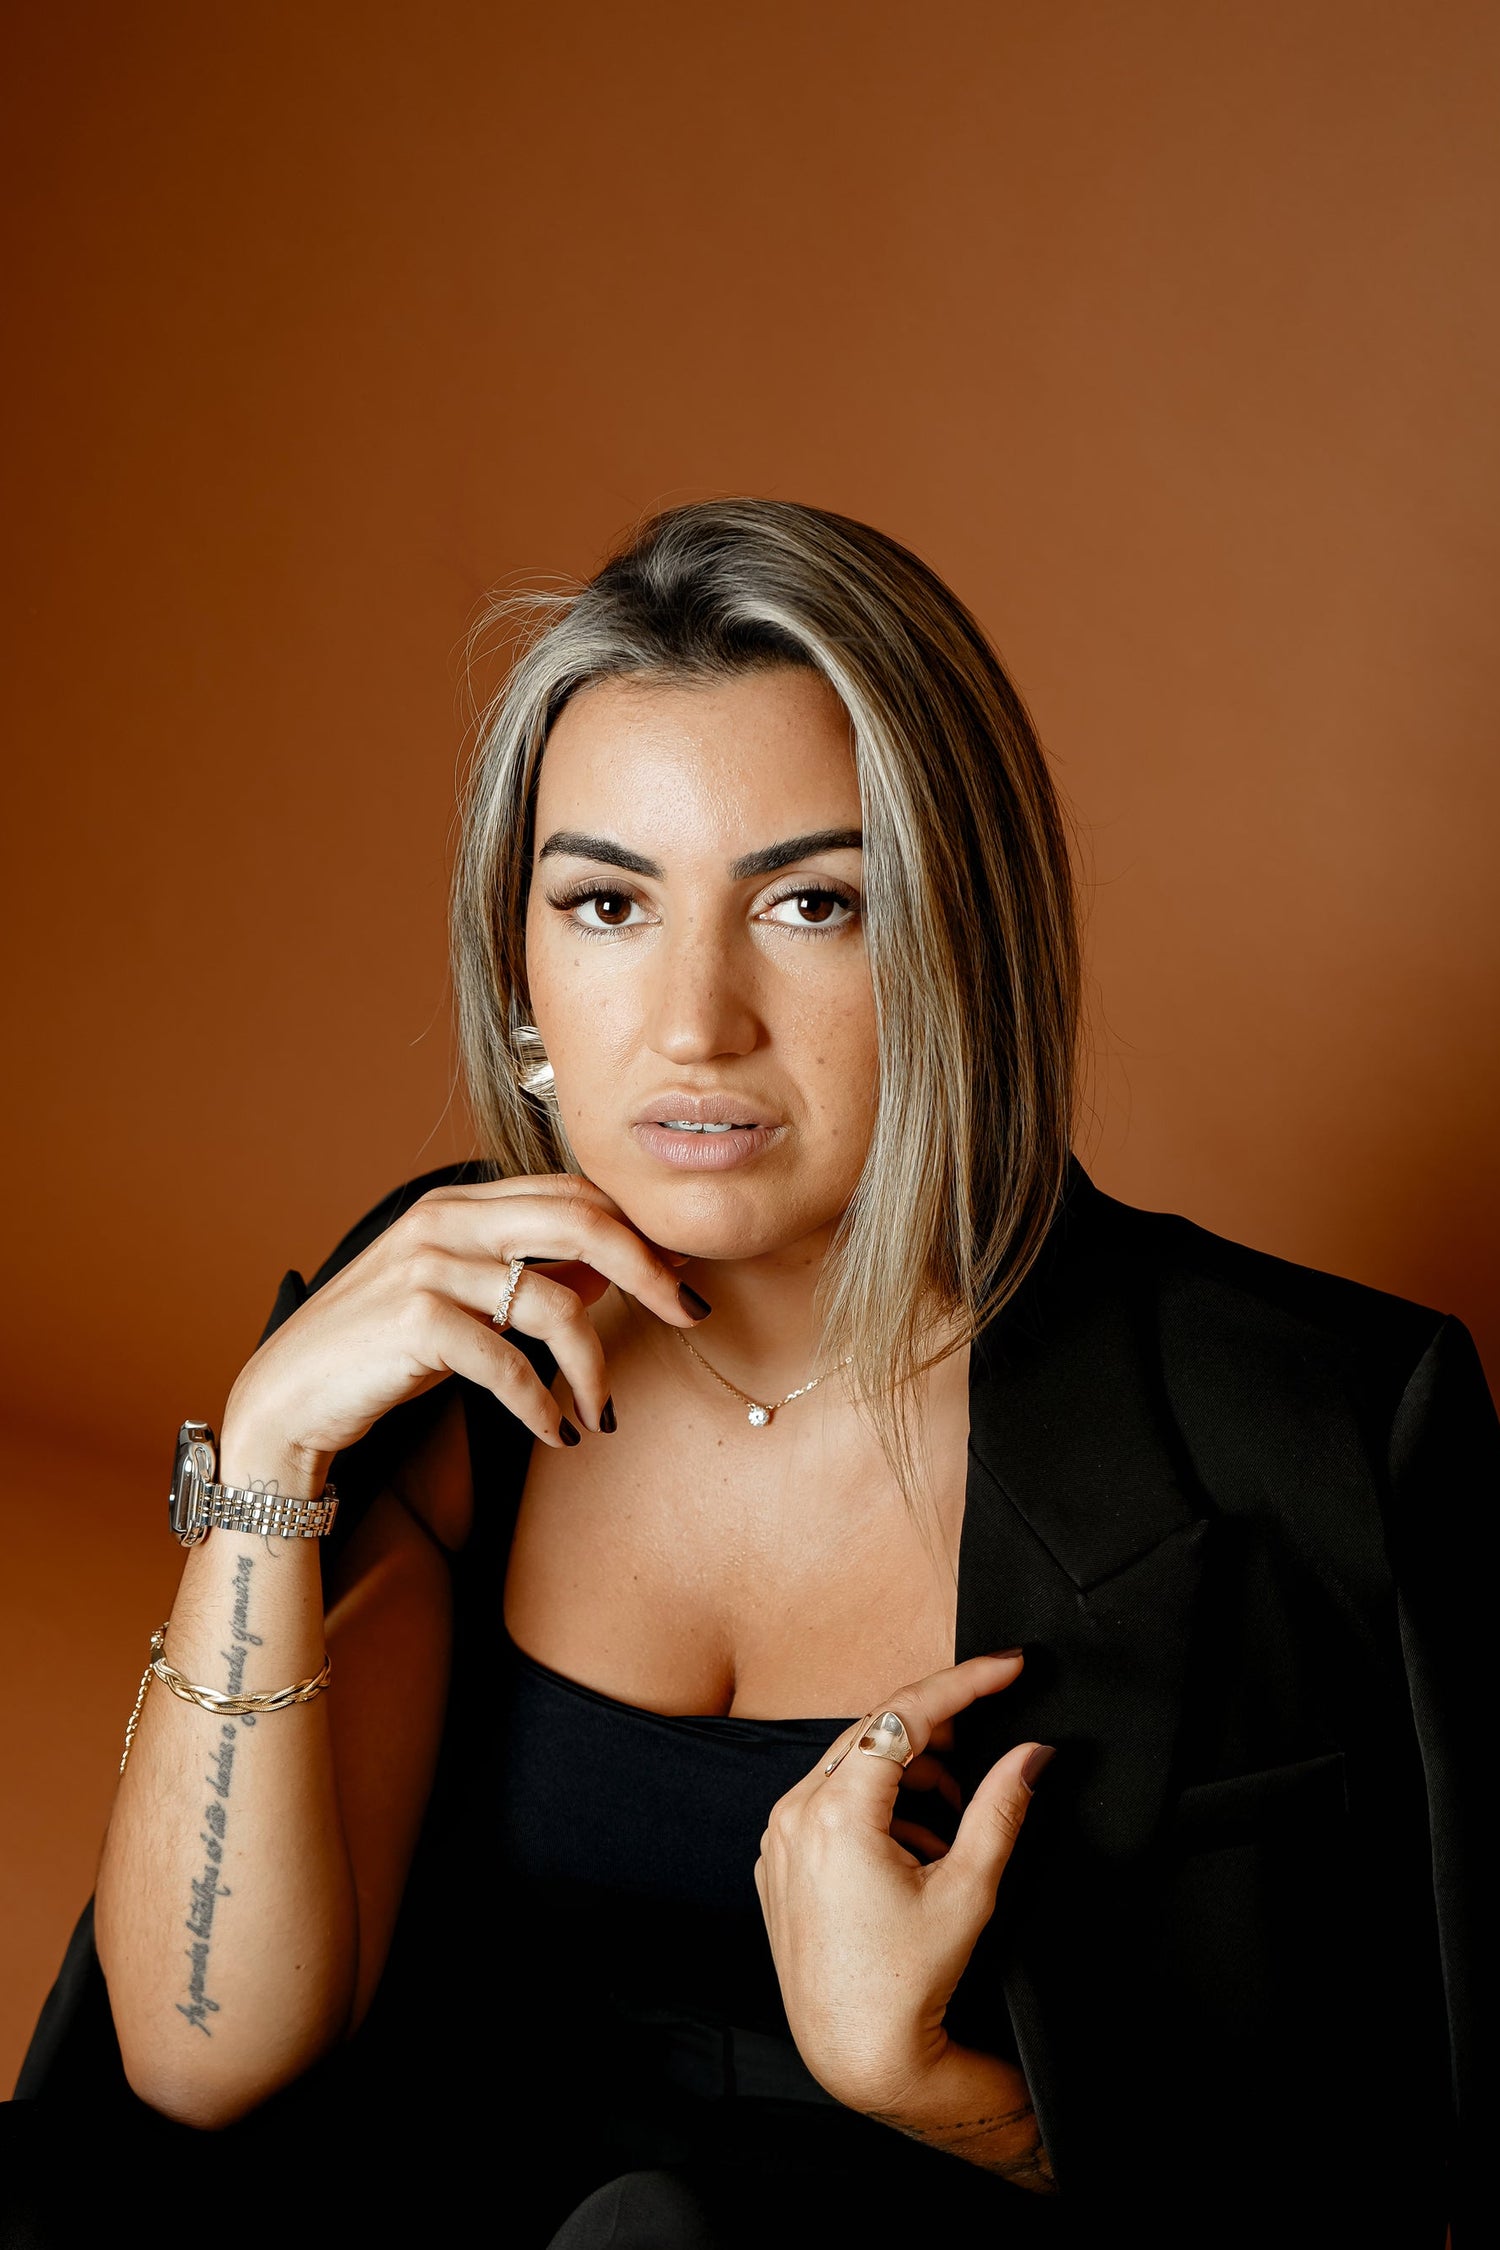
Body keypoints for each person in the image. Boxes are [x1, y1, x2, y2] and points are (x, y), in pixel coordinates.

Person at [6, 502, 1485, 2250]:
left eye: (808, 901)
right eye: (607, 902)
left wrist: (934, 2085)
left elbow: (1400, 2188)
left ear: (961, 939)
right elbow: (203, 2060)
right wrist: (263, 1457)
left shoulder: (1314, 1430)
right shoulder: (446, 1330)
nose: (696, 1020)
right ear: (522, 968)